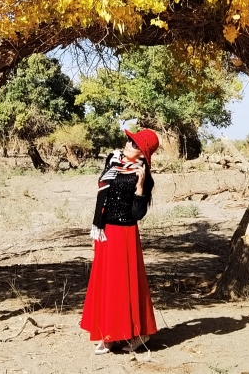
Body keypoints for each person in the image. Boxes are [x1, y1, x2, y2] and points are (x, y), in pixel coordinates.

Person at [81, 129, 160, 354]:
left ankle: (138, 333)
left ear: (143, 153)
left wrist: (140, 188)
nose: (128, 144)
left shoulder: (142, 174)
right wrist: (97, 225)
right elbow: (102, 195)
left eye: (135, 144)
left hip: (125, 233)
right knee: (105, 283)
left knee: (124, 284)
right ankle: (108, 335)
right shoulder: (112, 160)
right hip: (105, 231)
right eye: (130, 140)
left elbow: (138, 213)